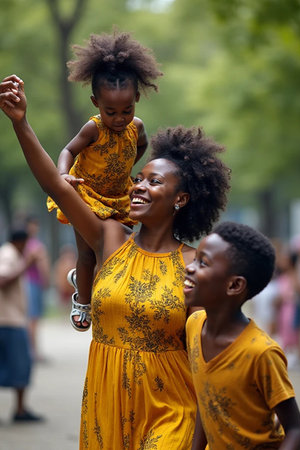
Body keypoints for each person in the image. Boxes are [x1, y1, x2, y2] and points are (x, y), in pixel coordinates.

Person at [0, 75, 230, 448]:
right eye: (138, 178)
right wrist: (20, 123)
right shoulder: (109, 238)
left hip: (172, 410)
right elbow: (56, 186)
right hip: (106, 407)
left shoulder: (195, 266)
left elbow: (210, 358)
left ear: (181, 200)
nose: (138, 186)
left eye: (153, 183)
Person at [46, 29, 163, 332]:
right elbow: (68, 150)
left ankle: (92, 284)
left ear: (137, 99)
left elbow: (140, 146)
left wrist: (127, 169)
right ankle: (82, 300)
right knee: (86, 252)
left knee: (116, 249)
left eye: (127, 110)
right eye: (111, 111)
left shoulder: (136, 128)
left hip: (118, 196)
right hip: (87, 194)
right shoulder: (93, 129)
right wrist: (63, 174)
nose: (119, 118)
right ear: (96, 102)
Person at [184, 221, 300, 449]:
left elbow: (296, 429)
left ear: (234, 285)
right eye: (195, 258)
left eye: (203, 263)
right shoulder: (194, 325)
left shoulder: (261, 352)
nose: (189, 267)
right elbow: (205, 397)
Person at [0, 229, 44, 422]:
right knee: (20, 365)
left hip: (13, 319)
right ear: (20, 242)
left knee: (16, 365)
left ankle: (20, 409)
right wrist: (26, 264)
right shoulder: (8, 254)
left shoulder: (11, 253)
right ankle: (19, 410)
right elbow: (2, 280)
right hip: (9, 321)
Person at [24, 215, 50, 360]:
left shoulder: (29, 243)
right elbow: (42, 266)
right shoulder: (33, 245)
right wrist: (46, 280)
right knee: (33, 319)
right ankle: (33, 352)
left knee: (33, 319)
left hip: (32, 283)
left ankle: (32, 350)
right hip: (32, 284)